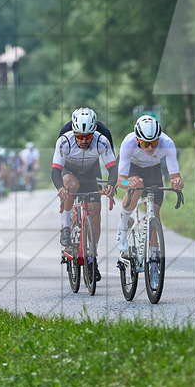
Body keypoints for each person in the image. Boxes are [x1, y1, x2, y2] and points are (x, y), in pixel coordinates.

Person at [52, 109, 117, 283]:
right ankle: (66, 227)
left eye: (87, 137)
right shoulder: (64, 140)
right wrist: (60, 188)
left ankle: (92, 256)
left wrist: (111, 184)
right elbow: (55, 170)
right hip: (69, 170)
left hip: (89, 170)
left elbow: (112, 167)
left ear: (94, 132)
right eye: (79, 136)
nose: (82, 141)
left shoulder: (102, 139)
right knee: (72, 186)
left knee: (95, 213)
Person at [115, 115, 183, 282]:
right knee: (137, 186)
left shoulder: (167, 143)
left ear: (159, 138)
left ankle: (153, 259)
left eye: (154, 142)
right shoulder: (128, 143)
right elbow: (118, 181)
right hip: (131, 169)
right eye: (146, 144)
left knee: (155, 215)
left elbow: (175, 176)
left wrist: (177, 183)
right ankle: (122, 228)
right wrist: (128, 182)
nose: (151, 147)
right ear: (138, 140)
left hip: (153, 171)